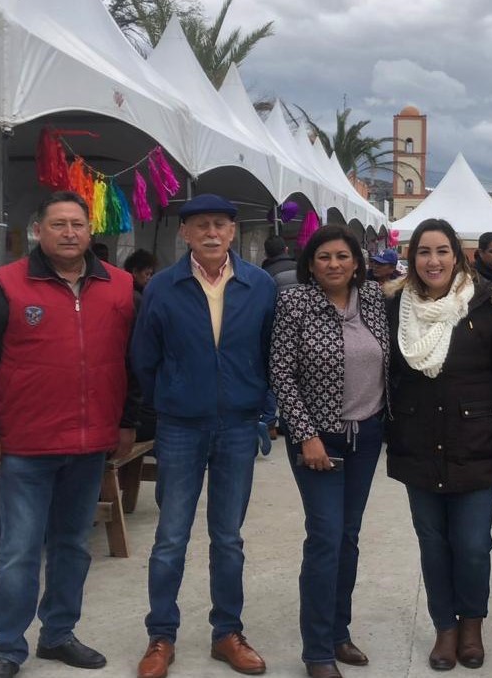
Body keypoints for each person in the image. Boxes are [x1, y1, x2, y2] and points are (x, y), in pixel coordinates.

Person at [0, 191, 138, 678]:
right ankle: (8, 648)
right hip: (25, 447)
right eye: (58, 224)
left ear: (89, 230)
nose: (69, 233)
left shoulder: (120, 288)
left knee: (73, 547)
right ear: (39, 230)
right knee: (18, 550)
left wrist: (127, 423)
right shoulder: (7, 286)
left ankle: (58, 634)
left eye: (77, 224)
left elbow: (132, 364)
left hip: (89, 445)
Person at [131, 194, 277, 678]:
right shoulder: (164, 287)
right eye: (200, 226)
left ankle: (227, 633)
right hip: (180, 427)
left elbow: (270, 353)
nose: (211, 233)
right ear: (185, 235)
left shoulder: (259, 286)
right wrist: (173, 396)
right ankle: (160, 636)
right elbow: (144, 356)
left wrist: (261, 409)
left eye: (220, 224)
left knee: (228, 539)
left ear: (233, 232)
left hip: (237, 425)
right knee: (170, 537)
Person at [385, 219, 492, 671]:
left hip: (475, 443)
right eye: (424, 252)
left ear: (457, 256)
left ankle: (472, 627)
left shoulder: (487, 305)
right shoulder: (394, 308)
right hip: (418, 444)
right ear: (412, 259)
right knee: (432, 543)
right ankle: (445, 628)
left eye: (442, 251)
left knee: (471, 544)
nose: (433, 261)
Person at [269, 224, 390, 678]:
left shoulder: (375, 299)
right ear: (311, 263)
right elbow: (281, 373)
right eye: (324, 257)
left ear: (357, 262)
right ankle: (317, 651)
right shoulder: (294, 302)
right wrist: (307, 434)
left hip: (367, 437)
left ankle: (339, 632)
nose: (334, 264)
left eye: (342, 256)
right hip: (318, 441)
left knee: (348, 537)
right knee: (324, 538)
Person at [122, 249, 158, 442]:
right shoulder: (136, 298)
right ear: (134, 272)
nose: (150, 279)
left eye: (152, 274)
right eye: (147, 274)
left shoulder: (135, 295)